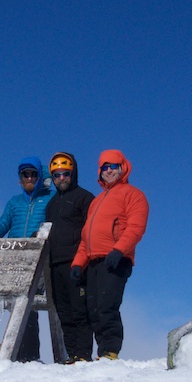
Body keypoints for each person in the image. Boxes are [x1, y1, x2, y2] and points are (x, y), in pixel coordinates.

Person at [70, 149, 148, 360]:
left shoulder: (133, 194)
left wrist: (119, 250)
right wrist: (78, 264)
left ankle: (110, 351)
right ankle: (101, 352)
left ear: (123, 168)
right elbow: (87, 236)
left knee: (107, 306)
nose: (109, 171)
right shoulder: (97, 200)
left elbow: (136, 227)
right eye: (105, 167)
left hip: (116, 259)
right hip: (93, 260)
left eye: (114, 166)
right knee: (93, 308)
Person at [0, 156, 54, 361]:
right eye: (25, 174)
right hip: (15, 261)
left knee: (29, 306)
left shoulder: (49, 198)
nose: (29, 177)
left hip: (39, 259)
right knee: (18, 307)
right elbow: (2, 225)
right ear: (20, 178)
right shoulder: (14, 202)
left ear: (40, 175)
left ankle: (29, 356)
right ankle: (20, 354)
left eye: (33, 173)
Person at [42, 152, 94, 363]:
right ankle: (72, 354)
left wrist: (82, 261)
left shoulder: (84, 198)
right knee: (62, 310)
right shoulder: (51, 204)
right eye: (56, 175)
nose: (61, 178)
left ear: (73, 174)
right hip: (55, 264)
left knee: (80, 310)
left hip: (77, 263)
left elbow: (90, 232)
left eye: (65, 174)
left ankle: (83, 354)